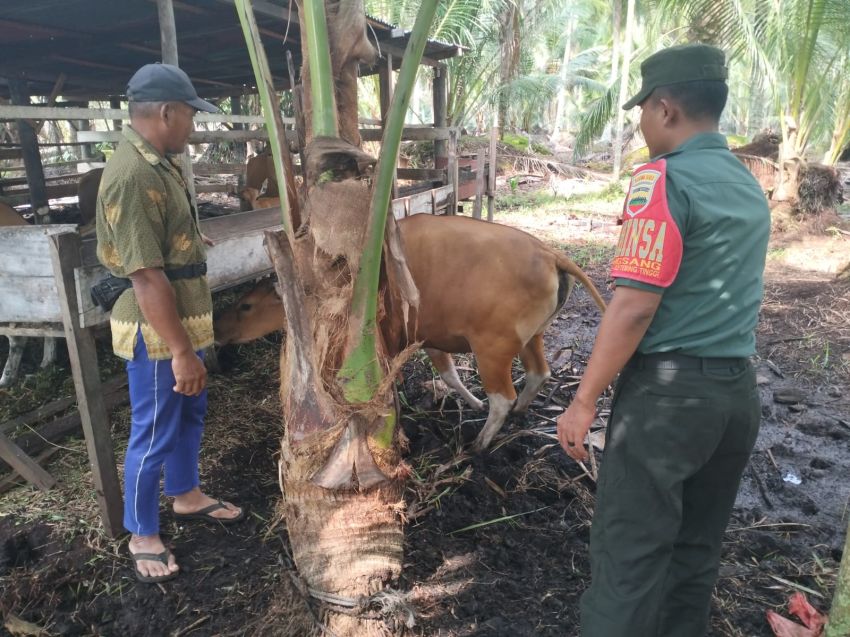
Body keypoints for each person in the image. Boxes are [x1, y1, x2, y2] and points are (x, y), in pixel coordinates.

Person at [556, 44, 770, 636]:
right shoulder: (747, 184)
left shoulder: (661, 181)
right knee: (695, 551)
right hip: (735, 398)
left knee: (629, 557)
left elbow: (633, 307)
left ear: (666, 108)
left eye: (642, 112)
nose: (641, 125)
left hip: (667, 404)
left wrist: (584, 400)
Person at [96, 63, 244, 584]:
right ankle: (142, 532)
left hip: (184, 320)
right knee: (154, 429)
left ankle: (185, 495)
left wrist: (185, 242)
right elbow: (145, 278)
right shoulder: (132, 175)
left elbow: (159, 240)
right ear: (166, 112)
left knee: (188, 415)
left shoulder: (160, 161)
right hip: (158, 332)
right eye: (190, 116)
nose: (194, 127)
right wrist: (181, 350)